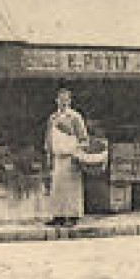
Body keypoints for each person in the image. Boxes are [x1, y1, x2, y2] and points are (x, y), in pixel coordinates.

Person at [43, 87, 88, 227]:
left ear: (69, 101)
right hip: (57, 156)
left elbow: (83, 138)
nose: (63, 102)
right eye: (60, 100)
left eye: (66, 100)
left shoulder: (75, 117)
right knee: (57, 188)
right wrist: (49, 154)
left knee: (72, 188)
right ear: (56, 101)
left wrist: (78, 153)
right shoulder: (53, 118)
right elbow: (49, 137)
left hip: (70, 156)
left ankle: (73, 216)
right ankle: (58, 216)